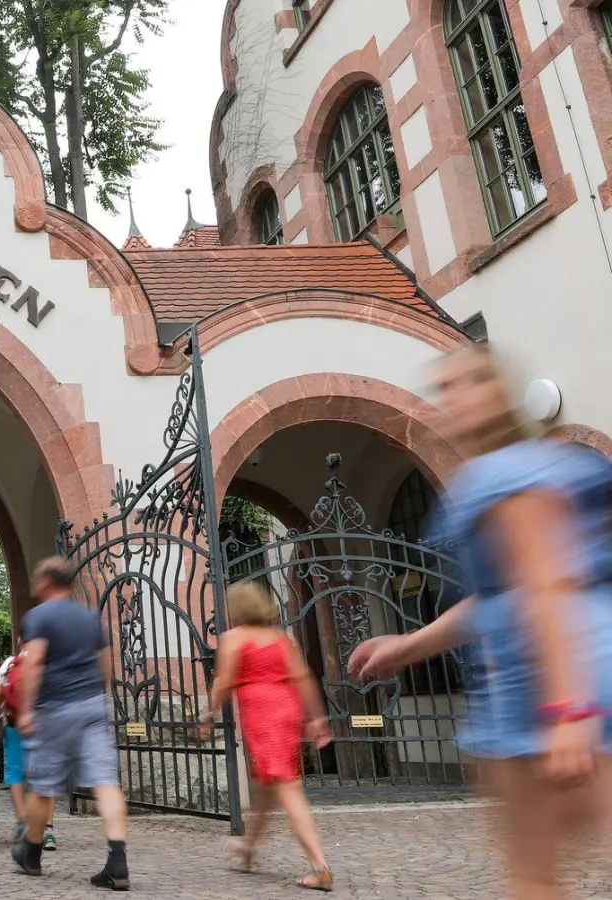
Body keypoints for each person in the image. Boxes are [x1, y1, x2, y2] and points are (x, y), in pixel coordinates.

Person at [350, 344, 612, 900]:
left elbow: (549, 587)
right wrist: (406, 648)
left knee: (533, 878)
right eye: (444, 389)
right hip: (538, 682)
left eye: (466, 383)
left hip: (554, 683)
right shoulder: (507, 474)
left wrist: (572, 710)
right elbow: (502, 595)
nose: (452, 399)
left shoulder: (505, 476)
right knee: (532, 877)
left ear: (498, 393)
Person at [202, 583, 333, 890]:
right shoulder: (281, 639)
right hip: (287, 711)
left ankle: (320, 866)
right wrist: (316, 719)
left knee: (288, 790)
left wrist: (210, 714)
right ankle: (247, 850)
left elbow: (225, 681)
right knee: (268, 789)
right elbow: (304, 678)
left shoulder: (233, 638)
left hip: (262, 716)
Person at [11, 557, 129, 889]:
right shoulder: (90, 616)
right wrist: (99, 696)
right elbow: (105, 664)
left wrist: (28, 709)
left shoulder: (39, 617)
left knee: (44, 783)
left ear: (47, 582)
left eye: (36, 579)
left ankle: (31, 854)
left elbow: (33, 663)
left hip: (55, 707)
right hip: (92, 704)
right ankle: (117, 861)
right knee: (106, 781)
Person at [0, 648, 55, 851]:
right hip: (44, 724)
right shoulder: (50, 659)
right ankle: (48, 829)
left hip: (15, 724)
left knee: (14, 773)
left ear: (20, 640)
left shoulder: (11, 663)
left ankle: (23, 820)